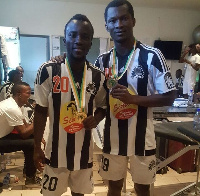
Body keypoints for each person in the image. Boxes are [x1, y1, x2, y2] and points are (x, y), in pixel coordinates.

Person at [94, 1, 176, 195]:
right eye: (113, 20)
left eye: (124, 18)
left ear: (133, 21)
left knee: (142, 189)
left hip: (143, 138)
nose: (119, 24)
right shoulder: (102, 60)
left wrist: (134, 99)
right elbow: (100, 101)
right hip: (112, 139)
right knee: (113, 187)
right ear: (107, 26)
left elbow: (170, 97)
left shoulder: (153, 56)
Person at [33, 14, 106, 196]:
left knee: (79, 194)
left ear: (90, 42)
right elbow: (40, 110)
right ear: (65, 39)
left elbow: (104, 106)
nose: (78, 40)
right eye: (73, 35)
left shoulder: (98, 76)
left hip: (84, 153)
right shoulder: (48, 70)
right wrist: (36, 148)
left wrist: (96, 119)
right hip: (54, 153)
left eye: (85, 36)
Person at [0, 82, 40, 186]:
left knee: (32, 140)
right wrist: (39, 119)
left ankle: (30, 173)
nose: (30, 95)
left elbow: (26, 127)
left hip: (3, 135)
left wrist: (37, 136)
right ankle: (30, 176)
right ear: (19, 94)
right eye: (28, 93)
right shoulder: (11, 107)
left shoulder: (16, 105)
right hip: (1, 138)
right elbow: (24, 134)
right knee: (31, 144)